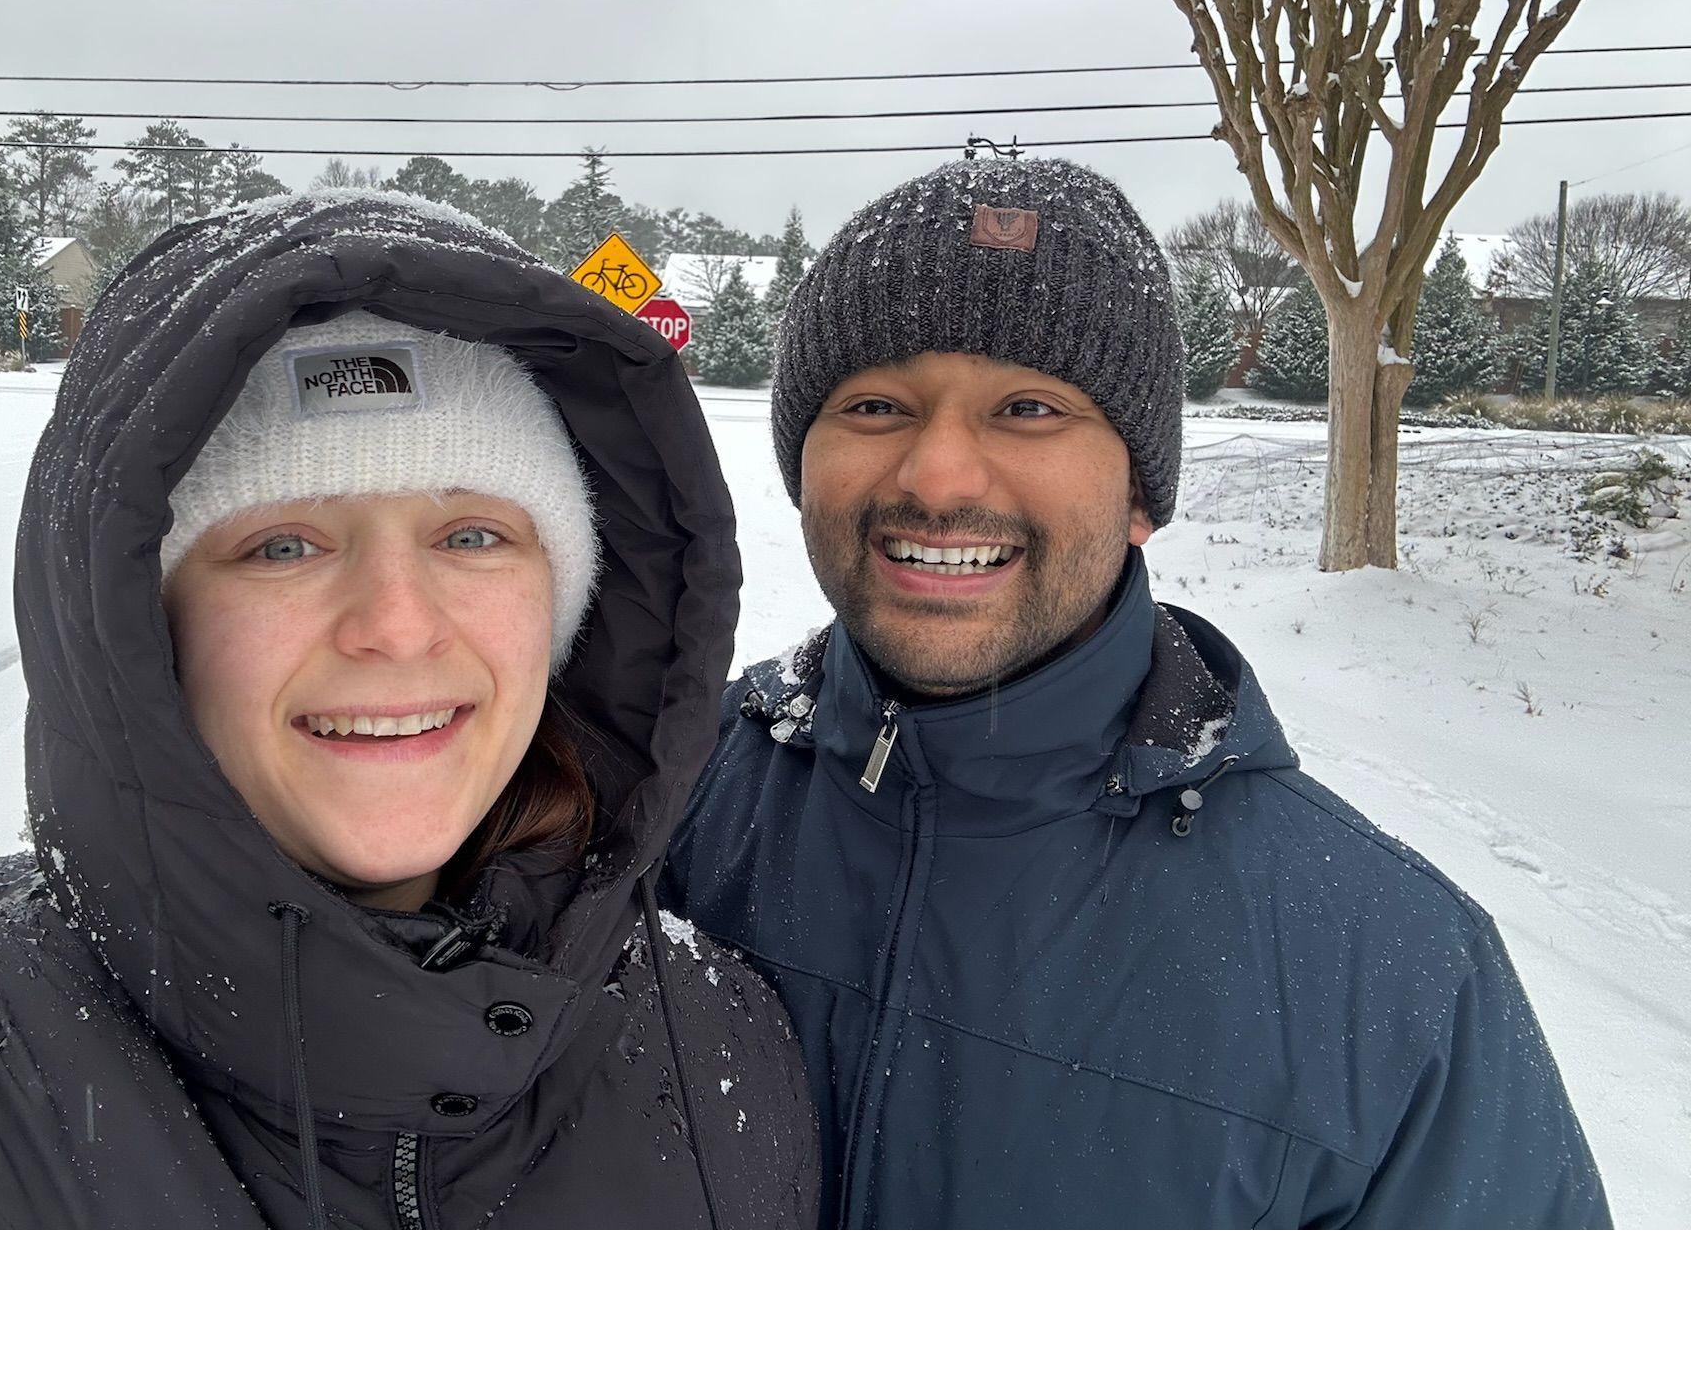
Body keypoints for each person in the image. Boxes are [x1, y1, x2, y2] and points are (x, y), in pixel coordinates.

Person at [0, 187, 818, 1228]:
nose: (398, 624)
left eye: (472, 534)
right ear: (139, 626)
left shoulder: (721, 1045)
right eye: (283, 543)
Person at [665, 156, 1609, 1229]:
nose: (935, 476)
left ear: (1138, 495)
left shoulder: (1390, 973)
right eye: (876, 403)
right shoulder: (648, 808)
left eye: (1026, 407)